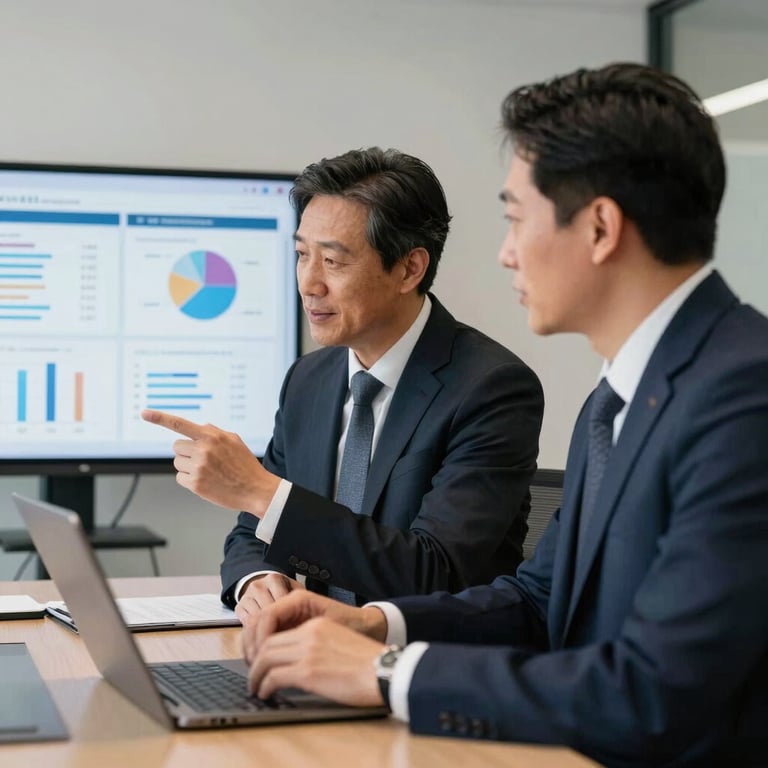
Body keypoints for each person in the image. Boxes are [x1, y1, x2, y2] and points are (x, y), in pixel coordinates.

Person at [239, 64, 768, 767]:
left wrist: (388, 675)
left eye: (517, 218)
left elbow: (656, 693)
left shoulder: (744, 397)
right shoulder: (612, 404)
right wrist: (373, 625)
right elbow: (540, 601)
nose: (505, 253)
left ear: (601, 227)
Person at [142, 147, 544, 621]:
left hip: (417, 667)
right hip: (303, 656)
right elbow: (252, 533)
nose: (309, 283)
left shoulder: (490, 388)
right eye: (301, 255)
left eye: (332, 262)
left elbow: (435, 570)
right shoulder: (308, 381)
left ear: (409, 269)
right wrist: (256, 579)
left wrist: (261, 491)